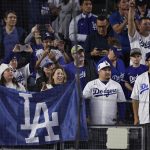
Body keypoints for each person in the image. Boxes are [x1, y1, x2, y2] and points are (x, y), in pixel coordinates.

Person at [83, 60, 126, 125]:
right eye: (105, 70)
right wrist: (86, 116)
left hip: (112, 124)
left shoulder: (117, 85)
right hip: (94, 123)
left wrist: (121, 119)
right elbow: (84, 102)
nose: (108, 72)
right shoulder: (90, 85)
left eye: (109, 70)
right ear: (98, 72)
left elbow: (121, 103)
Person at [124, 48, 148, 123]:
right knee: (134, 117)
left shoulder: (145, 68)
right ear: (130, 58)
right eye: (134, 56)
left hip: (144, 97)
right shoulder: (127, 70)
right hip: (132, 97)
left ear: (141, 57)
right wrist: (134, 90)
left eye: (138, 56)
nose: (136, 58)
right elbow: (126, 82)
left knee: (144, 117)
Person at [109, 0, 131, 66]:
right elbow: (117, 30)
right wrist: (127, 20)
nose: (126, 3)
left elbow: (139, 29)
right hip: (120, 49)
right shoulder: (114, 16)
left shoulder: (134, 15)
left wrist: (131, 18)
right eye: (123, 2)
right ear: (118, 5)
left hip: (132, 48)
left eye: (127, 1)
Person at [128, 0, 150, 64]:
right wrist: (131, 8)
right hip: (136, 71)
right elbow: (130, 21)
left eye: (149, 24)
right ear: (139, 26)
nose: (148, 26)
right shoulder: (134, 36)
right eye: (145, 24)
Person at [131, 51, 150, 125]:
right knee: (146, 136)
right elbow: (135, 99)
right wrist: (136, 117)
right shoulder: (140, 78)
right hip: (144, 117)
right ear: (146, 62)